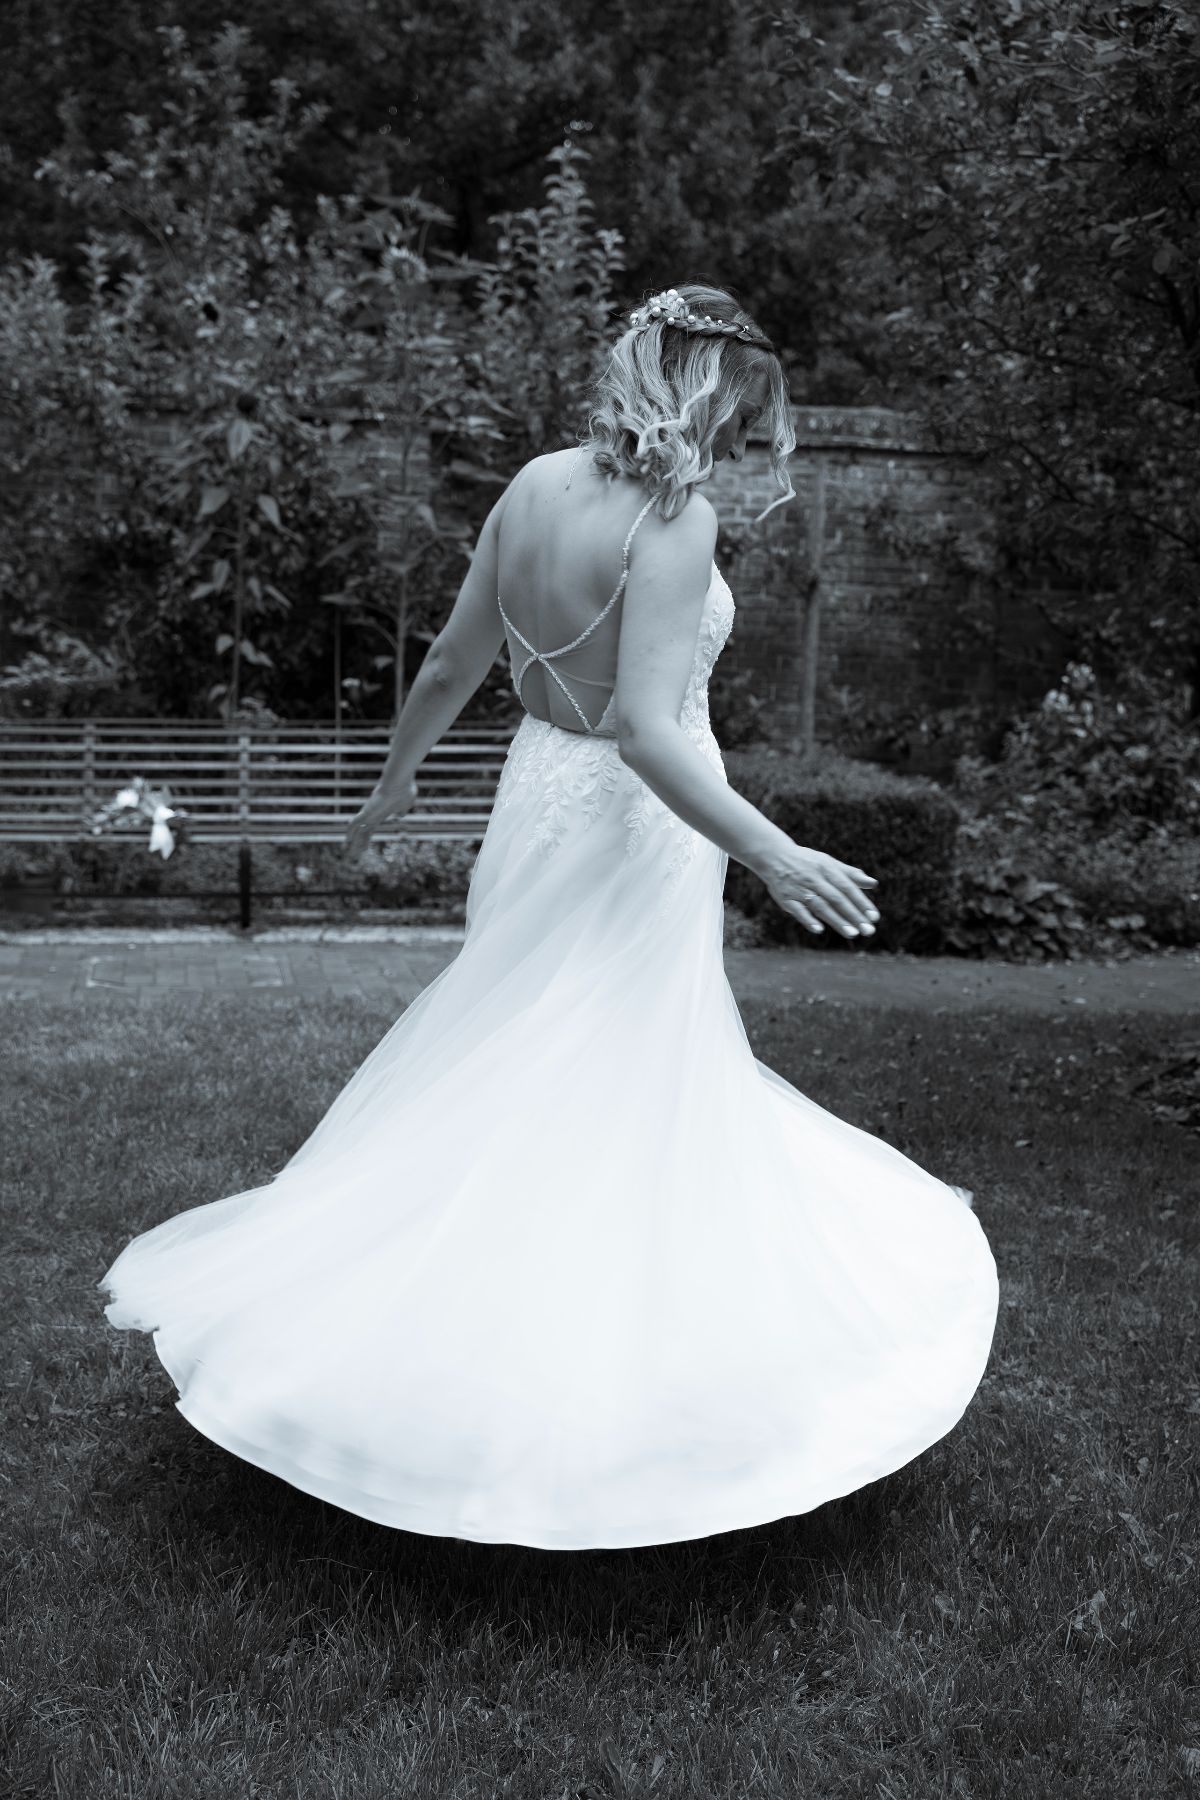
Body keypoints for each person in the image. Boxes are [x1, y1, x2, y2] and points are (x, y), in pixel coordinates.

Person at [98, 282, 999, 1551]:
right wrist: (773, 849)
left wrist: (396, 782)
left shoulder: (530, 485)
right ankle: (586, 1370)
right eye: (741, 410)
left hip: (534, 803)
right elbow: (646, 733)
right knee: (612, 1067)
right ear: (702, 388)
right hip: (638, 829)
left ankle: (451, 1333)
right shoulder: (672, 521)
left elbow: (450, 662)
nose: (743, 438)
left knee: (520, 1043)